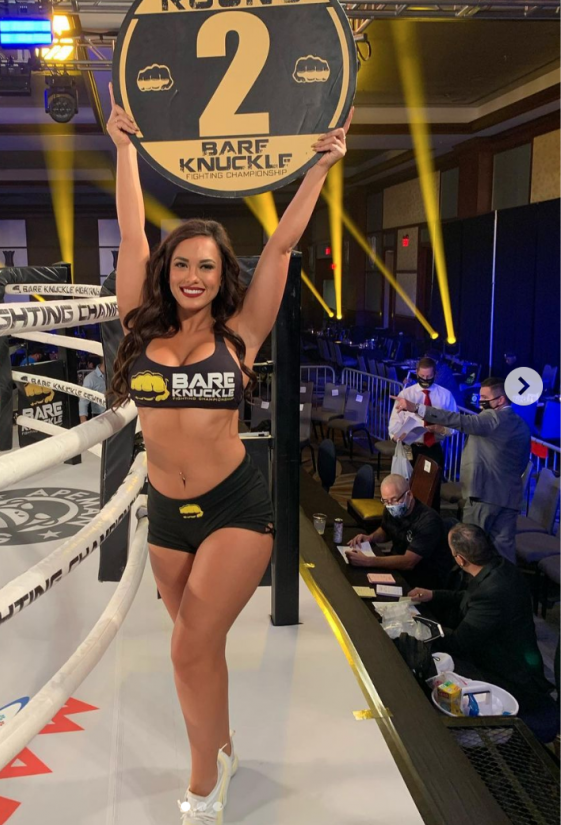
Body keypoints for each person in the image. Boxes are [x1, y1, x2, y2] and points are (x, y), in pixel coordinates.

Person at [105, 84, 352, 824]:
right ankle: (224, 747)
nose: (192, 276)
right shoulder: (138, 325)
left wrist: (320, 168)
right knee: (197, 648)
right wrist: (124, 151)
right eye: (182, 264)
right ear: (168, 271)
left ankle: (205, 780)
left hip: (236, 508)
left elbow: (280, 246)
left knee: (186, 650)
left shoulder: (241, 335)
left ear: (222, 276)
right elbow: (131, 236)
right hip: (167, 513)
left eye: (207, 267)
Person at [409, 524, 558, 743]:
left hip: (507, 674)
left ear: (460, 560)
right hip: (506, 656)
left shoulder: (492, 590)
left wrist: (422, 627)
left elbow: (459, 643)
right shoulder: (498, 566)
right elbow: (468, 598)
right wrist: (433, 595)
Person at [393, 377, 530, 562]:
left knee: (471, 549)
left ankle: (472, 581)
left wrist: (417, 408)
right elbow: (522, 462)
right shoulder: (522, 425)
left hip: (483, 497)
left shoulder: (492, 418)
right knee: (504, 553)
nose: (480, 401)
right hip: (510, 498)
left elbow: (457, 420)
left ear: (500, 400)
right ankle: (505, 581)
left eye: (485, 397)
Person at [345, 474, 453, 588]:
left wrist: (368, 561)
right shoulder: (391, 508)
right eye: (385, 501)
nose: (390, 505)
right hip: (398, 566)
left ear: (409, 495)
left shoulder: (428, 521)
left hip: (422, 578)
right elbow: (386, 530)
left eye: (395, 500)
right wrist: (371, 538)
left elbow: (409, 562)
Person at [388, 356, 456, 511]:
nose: (425, 379)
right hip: (410, 447)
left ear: (435, 374)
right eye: (422, 376)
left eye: (429, 376)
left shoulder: (445, 395)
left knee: (432, 490)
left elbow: (455, 425)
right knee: (408, 489)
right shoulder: (406, 395)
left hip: (433, 447)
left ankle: (432, 520)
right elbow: (394, 424)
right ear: (416, 373)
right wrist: (396, 436)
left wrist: (441, 429)